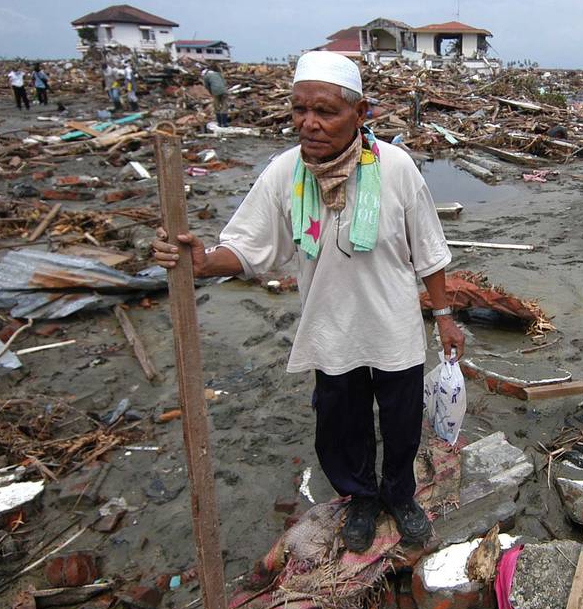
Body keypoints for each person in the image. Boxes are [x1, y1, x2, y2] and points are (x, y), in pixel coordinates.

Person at [152, 51, 464, 552]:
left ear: (361, 115)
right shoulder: (286, 172)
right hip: (330, 329)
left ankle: (400, 496)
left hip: (394, 327)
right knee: (342, 427)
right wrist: (203, 261)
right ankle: (361, 499)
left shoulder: (396, 167)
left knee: (402, 425)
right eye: (299, 110)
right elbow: (249, 245)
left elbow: (429, 249)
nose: (309, 124)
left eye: (325, 112)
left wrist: (445, 316)